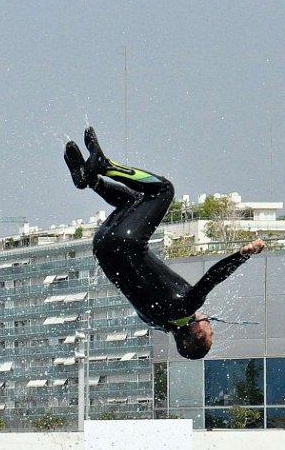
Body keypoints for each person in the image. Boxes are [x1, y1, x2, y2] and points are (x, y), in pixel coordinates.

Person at [64, 126, 264, 359]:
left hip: (127, 241)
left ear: (197, 333)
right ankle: (90, 180)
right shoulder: (155, 322)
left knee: (162, 190)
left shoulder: (184, 308)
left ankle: (104, 165)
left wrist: (244, 254)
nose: (211, 327)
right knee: (134, 201)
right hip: (102, 246)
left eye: (210, 333)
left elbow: (213, 277)